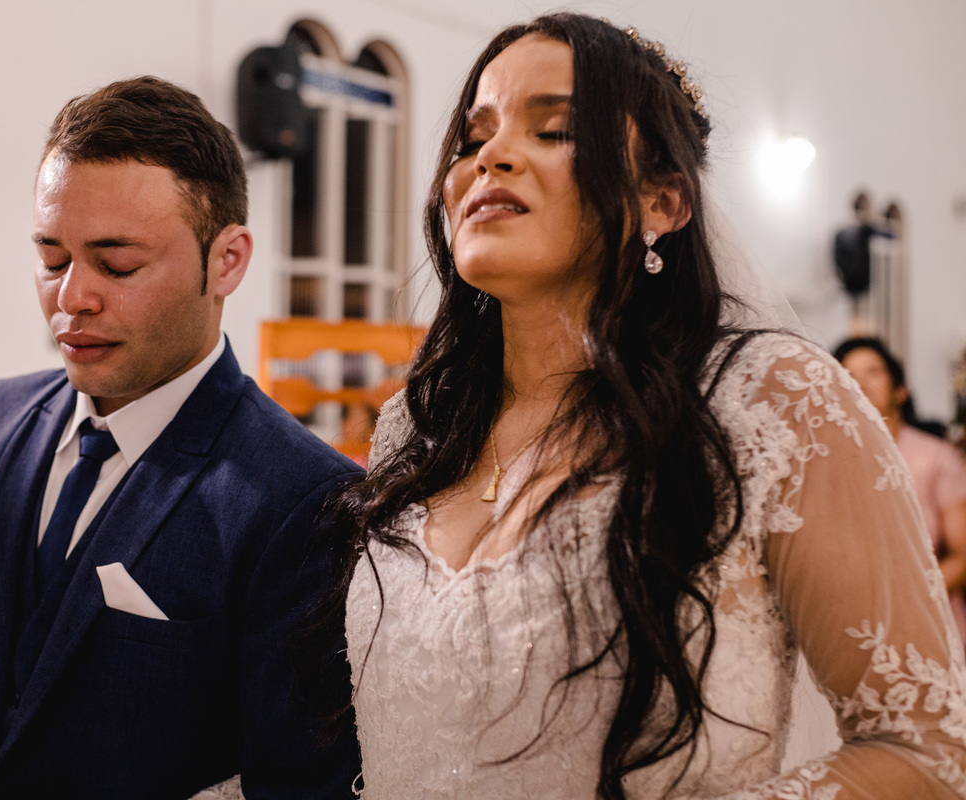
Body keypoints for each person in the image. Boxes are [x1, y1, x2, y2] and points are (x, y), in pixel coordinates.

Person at [333, 12, 966, 799]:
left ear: (663, 202)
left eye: (555, 130)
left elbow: (926, 753)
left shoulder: (771, 401)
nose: (491, 156)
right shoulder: (418, 426)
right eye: (474, 137)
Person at [0, 76, 361, 799]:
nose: (72, 297)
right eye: (52, 259)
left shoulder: (307, 501)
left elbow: (294, 780)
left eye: (118, 264)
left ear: (227, 260)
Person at [834, 336, 966, 645]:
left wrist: (908, 601)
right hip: (851, 620)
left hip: (928, 616)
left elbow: (961, 554)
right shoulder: (828, 459)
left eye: (873, 372)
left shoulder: (935, 456)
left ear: (901, 389)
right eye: (848, 375)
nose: (860, 383)